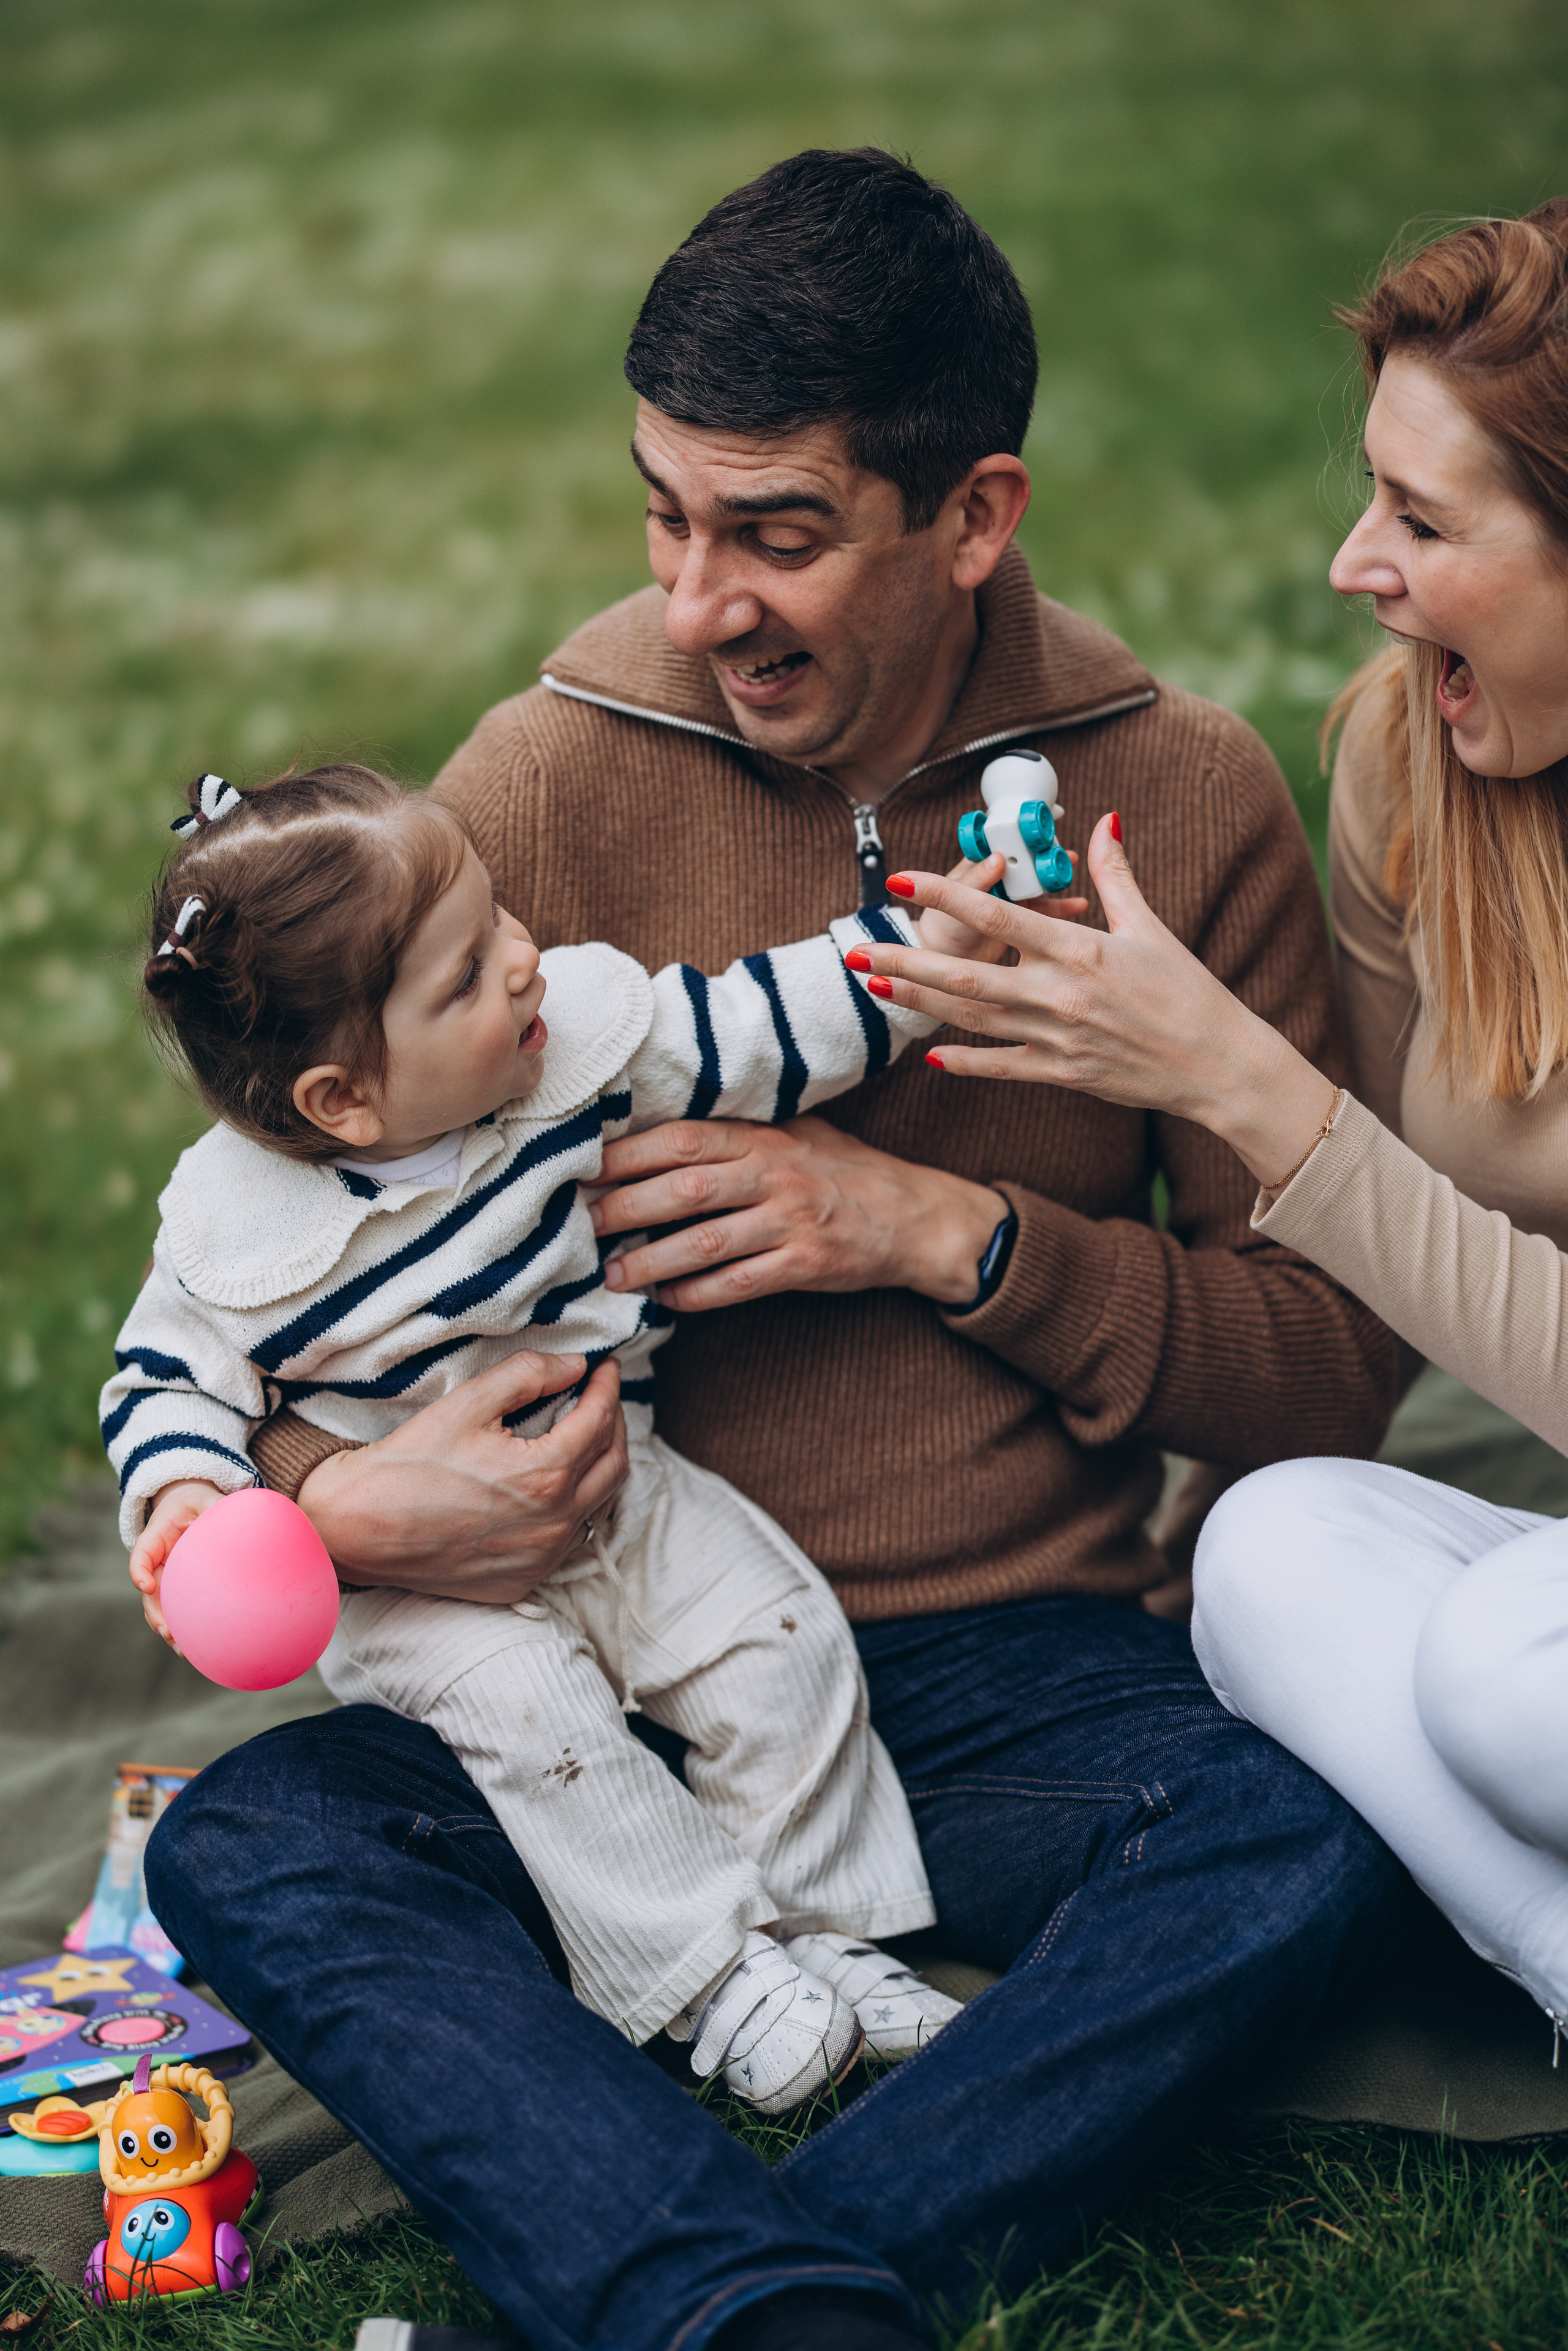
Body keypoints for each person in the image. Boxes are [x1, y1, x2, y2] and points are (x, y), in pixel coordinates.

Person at [146, 151, 1405, 2351]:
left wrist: (945, 1232)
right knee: (249, 1851)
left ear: (974, 517)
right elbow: (275, 1260)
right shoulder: (531, 792)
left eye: (782, 534)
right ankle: (771, 2286)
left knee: (1309, 1838)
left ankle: (724, 2288)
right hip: (564, 1683)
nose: (701, 599)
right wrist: (352, 1510)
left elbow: (1329, 1374)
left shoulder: (1181, 802)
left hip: (999, 1668)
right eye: (666, 517)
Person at [845, 202, 1568, 2048]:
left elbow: (1337, 1164)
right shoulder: (1419, 767)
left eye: (1424, 519)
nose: (1354, 564)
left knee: (1494, 1673)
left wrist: (1227, 1072)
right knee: (1269, 1551)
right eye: (1370, 494)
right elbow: (1391, 1267)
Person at [110, 760, 981, 2111]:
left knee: (778, 1630)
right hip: (418, 1583)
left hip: (618, 1484)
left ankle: (824, 1928)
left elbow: (761, 1021)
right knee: (542, 1725)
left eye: (499, 918)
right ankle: (704, 1973)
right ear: (342, 1099)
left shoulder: (570, 1052)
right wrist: (184, 1498)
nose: (523, 961)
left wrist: (920, 957)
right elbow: (167, 1385)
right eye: (463, 974)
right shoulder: (243, 1240)